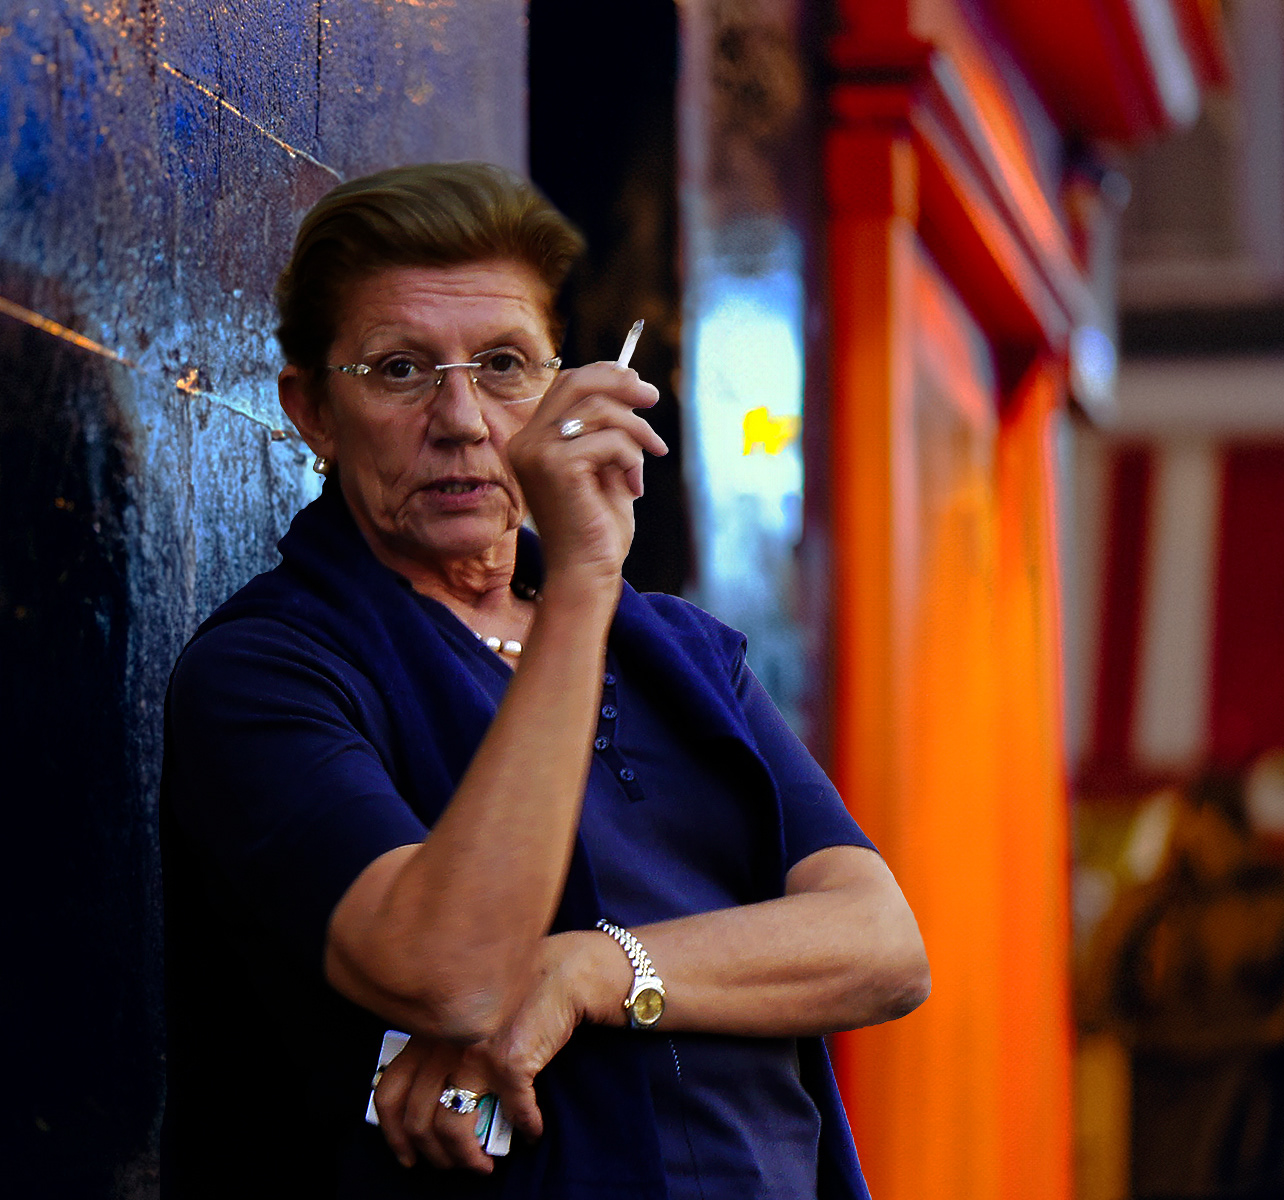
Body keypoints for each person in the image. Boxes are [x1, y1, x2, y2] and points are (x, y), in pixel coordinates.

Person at [159, 162, 929, 1199]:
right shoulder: (271, 670)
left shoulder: (678, 651)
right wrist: (577, 580)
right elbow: (453, 974)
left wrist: (591, 973)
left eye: (505, 364)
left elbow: (881, 945)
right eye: (398, 370)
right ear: (312, 413)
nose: (463, 418)